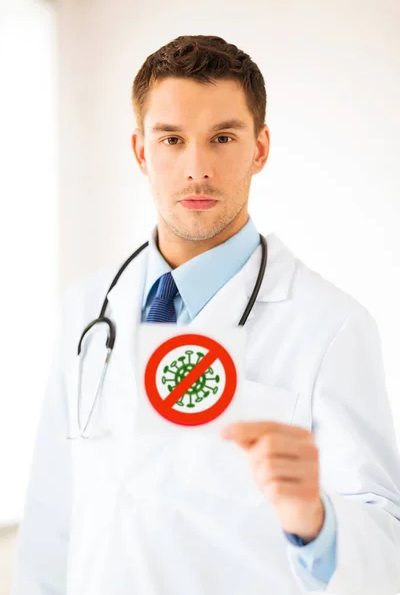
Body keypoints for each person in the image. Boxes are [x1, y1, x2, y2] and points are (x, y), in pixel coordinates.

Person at [10, 34, 400, 595]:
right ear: (142, 151)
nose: (197, 168)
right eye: (172, 139)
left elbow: (386, 545)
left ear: (260, 148)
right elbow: (52, 519)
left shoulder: (331, 326)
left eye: (222, 137)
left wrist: (317, 522)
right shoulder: (86, 310)